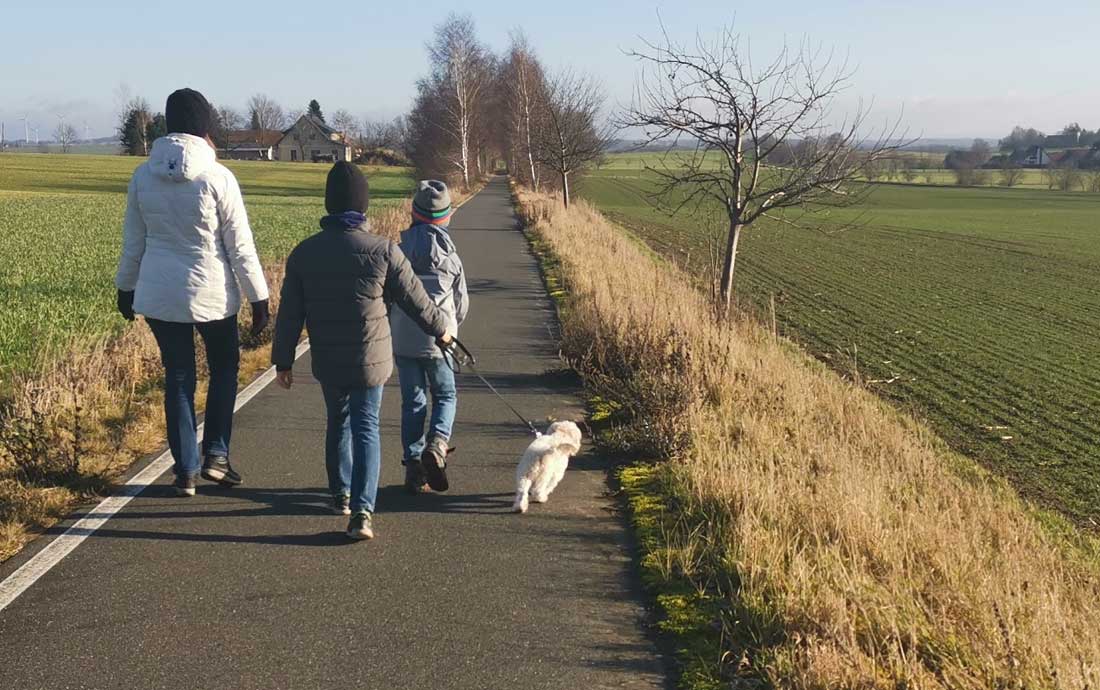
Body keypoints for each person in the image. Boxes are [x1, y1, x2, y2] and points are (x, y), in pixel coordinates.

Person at [271, 163, 452, 540]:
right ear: (363, 206)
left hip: (327, 359)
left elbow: (290, 313)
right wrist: (442, 332)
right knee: (366, 426)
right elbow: (418, 302)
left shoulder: (304, 253)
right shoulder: (383, 251)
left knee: (337, 423)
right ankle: (363, 512)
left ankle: (340, 495)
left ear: (328, 204)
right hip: (372, 360)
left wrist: (283, 360)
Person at [115, 88, 269, 497]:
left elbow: (134, 241)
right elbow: (240, 246)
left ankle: (184, 470)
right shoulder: (219, 177)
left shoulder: (142, 175)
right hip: (211, 294)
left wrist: (125, 288)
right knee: (223, 367)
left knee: (179, 376)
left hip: (159, 294)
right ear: (206, 126)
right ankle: (216, 455)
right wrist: (259, 297)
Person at [390, 180, 468, 495]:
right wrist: (450, 327)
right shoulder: (452, 258)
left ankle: (413, 466)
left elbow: (385, 295)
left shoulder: (396, 252)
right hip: (440, 339)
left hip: (404, 338)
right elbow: (461, 305)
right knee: (445, 395)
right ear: (445, 217)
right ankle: (437, 444)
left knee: (413, 400)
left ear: (415, 213)